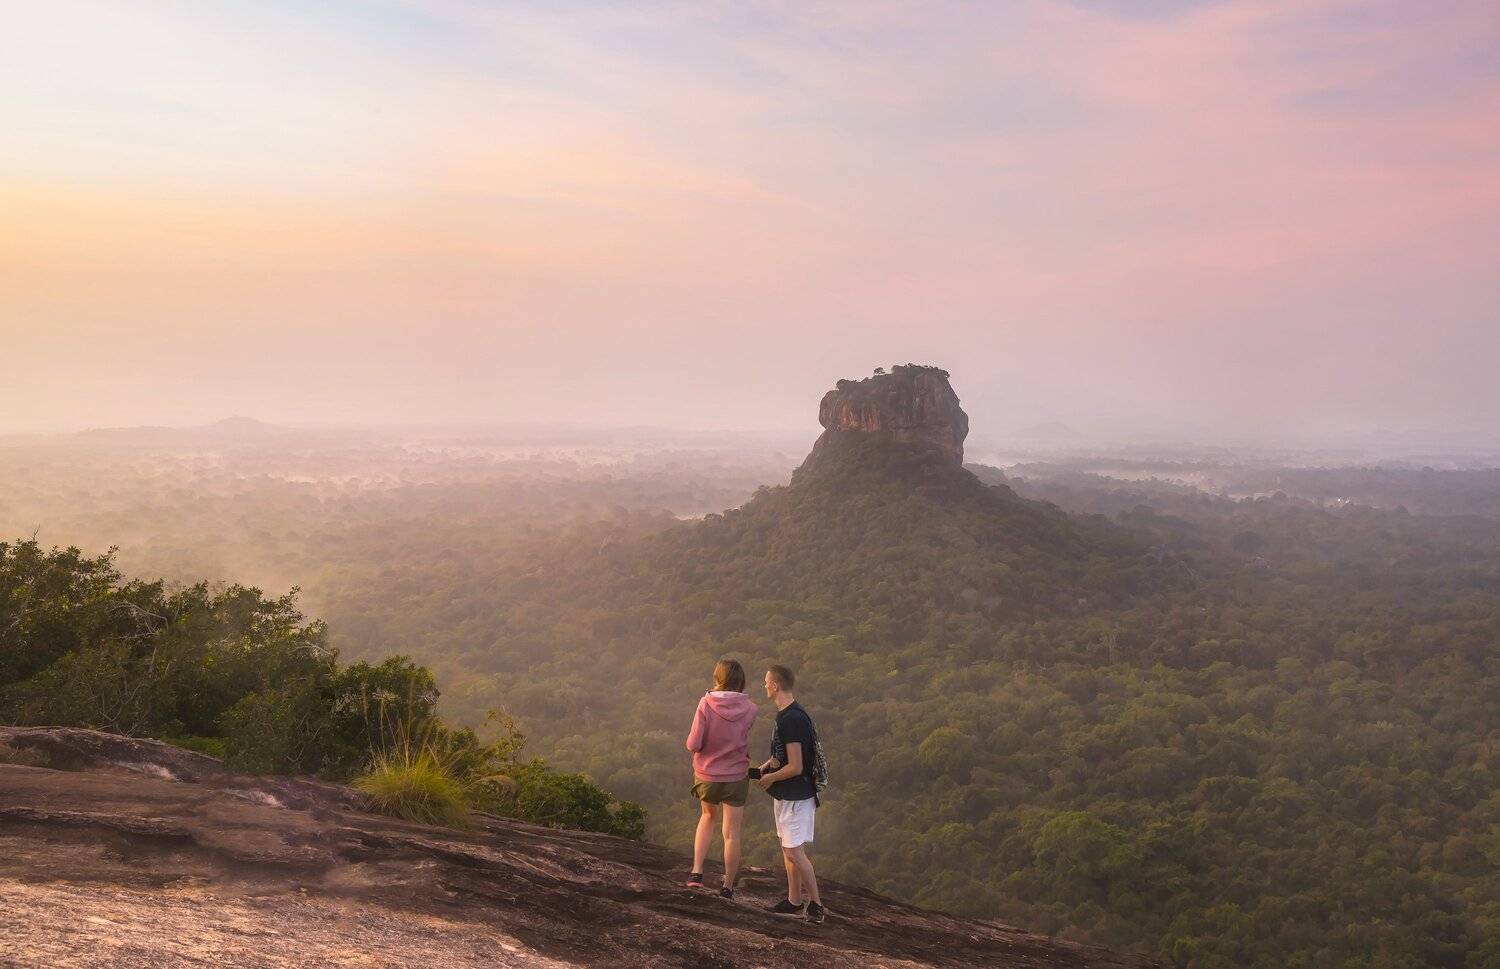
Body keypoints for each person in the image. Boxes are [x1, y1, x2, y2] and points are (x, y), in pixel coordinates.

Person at [756, 664, 824, 924]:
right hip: (788, 796)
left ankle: (816, 905)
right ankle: (794, 900)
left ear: (775, 685)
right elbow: (783, 755)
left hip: (797, 796)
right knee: (787, 849)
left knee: (795, 852)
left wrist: (771, 777)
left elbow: (796, 766)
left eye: (766, 682)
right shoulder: (786, 714)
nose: (764, 686)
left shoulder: (791, 719)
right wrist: (767, 766)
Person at [684, 658, 758, 898]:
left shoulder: (706, 704)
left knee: (707, 817)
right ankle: (728, 887)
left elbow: (693, 743)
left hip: (708, 774)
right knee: (732, 833)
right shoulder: (751, 708)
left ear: (718, 678)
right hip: (737, 775)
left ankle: (696, 873)